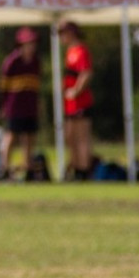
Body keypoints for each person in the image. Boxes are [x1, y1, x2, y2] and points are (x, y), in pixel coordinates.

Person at [0, 28, 42, 178]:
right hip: (15, 106)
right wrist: (4, 106)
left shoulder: (36, 61)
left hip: (30, 106)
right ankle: (4, 168)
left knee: (29, 137)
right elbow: (3, 87)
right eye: (28, 43)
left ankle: (28, 168)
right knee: (12, 135)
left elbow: (36, 85)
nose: (31, 46)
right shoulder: (12, 61)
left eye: (33, 43)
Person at [57, 21, 94, 176]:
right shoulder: (70, 51)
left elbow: (86, 72)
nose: (60, 37)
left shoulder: (80, 50)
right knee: (70, 136)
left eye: (62, 33)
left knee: (81, 137)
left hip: (81, 102)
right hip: (70, 104)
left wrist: (76, 91)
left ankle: (84, 170)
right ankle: (76, 167)